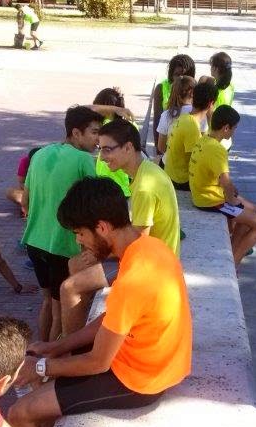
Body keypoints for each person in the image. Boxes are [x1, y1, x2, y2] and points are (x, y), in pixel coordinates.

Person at [6, 176, 192, 427]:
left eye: (80, 233)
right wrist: (56, 347)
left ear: (102, 227)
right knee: (48, 376)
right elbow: (112, 320)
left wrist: (41, 366)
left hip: (138, 382)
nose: (79, 241)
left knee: (20, 413)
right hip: (154, 363)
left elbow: (97, 362)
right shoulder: (149, 248)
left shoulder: (133, 277)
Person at [60, 118, 180, 334]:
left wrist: (101, 253)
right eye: (100, 149)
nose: (102, 157)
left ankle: (74, 344)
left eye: (108, 150)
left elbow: (138, 243)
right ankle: (81, 329)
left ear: (128, 148)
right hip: (157, 257)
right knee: (76, 263)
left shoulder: (144, 187)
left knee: (70, 287)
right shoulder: (146, 171)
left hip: (152, 268)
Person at [21, 106, 102, 342]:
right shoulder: (84, 159)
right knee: (60, 311)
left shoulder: (39, 155)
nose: (98, 139)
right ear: (76, 133)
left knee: (47, 302)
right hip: (62, 247)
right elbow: (93, 205)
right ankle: (48, 359)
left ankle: (39, 349)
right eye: (94, 132)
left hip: (33, 242)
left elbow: (24, 200)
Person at [189, 105, 256, 267]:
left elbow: (218, 177)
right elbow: (225, 182)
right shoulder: (218, 150)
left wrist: (235, 197)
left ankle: (232, 251)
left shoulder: (203, 140)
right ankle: (233, 263)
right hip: (210, 201)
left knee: (251, 210)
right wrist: (234, 202)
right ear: (225, 128)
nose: (234, 132)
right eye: (234, 128)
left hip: (201, 195)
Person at [163, 80, 217, 191]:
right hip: (180, 180)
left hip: (171, 172)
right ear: (211, 104)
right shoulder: (192, 127)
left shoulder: (185, 117)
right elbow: (200, 161)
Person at [91, 87, 133, 197]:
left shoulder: (105, 127)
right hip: (122, 187)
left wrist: (112, 109)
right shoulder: (130, 126)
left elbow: (87, 110)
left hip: (106, 186)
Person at [152, 54, 196, 147]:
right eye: (177, 75)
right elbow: (157, 119)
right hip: (168, 143)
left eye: (185, 75)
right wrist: (158, 149)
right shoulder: (161, 88)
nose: (181, 78)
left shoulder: (195, 89)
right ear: (171, 75)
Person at [156, 75, 196, 158]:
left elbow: (161, 146)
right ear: (193, 93)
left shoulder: (167, 115)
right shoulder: (199, 114)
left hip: (170, 161)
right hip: (192, 161)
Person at [5, 147, 42, 218]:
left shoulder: (48, 164)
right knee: (9, 192)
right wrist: (30, 192)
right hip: (30, 190)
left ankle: (32, 206)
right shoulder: (25, 162)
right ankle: (32, 205)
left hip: (46, 192)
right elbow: (21, 182)